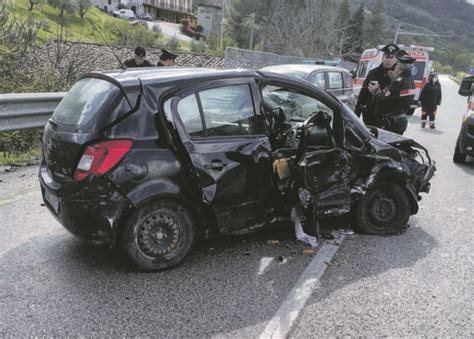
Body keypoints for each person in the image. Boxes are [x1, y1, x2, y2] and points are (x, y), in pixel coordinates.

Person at [369, 50, 416, 135]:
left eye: (397, 64)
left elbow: (386, 101)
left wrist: (376, 92)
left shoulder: (399, 81)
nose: (395, 67)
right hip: (399, 120)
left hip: (392, 122)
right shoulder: (409, 80)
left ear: (401, 67)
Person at [355, 43, 399, 126]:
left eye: (391, 57)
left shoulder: (398, 76)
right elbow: (362, 95)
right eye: (387, 57)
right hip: (370, 115)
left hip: (387, 117)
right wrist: (356, 116)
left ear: (395, 60)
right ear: (382, 58)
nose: (389, 60)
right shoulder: (373, 73)